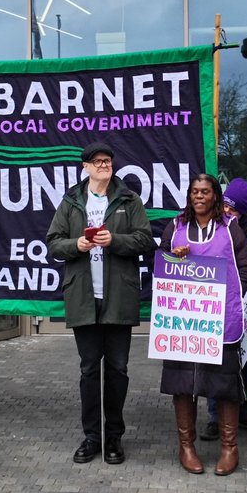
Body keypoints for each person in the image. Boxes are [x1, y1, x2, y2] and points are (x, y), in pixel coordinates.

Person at [46, 141, 155, 466]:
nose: (103, 165)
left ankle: (114, 438)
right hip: (83, 298)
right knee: (89, 370)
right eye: (97, 161)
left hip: (119, 299)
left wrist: (116, 240)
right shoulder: (71, 201)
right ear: (86, 167)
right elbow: (53, 242)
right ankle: (92, 437)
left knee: (118, 370)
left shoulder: (128, 199)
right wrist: (76, 244)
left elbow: (146, 239)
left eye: (107, 160)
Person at [160, 175, 247, 476]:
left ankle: (229, 447)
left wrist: (228, 300)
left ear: (215, 196)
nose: (200, 196)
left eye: (206, 192)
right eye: (195, 192)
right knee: (183, 382)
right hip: (185, 319)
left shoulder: (231, 227)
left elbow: (245, 269)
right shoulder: (175, 227)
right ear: (189, 195)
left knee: (224, 384)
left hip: (221, 317)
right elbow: (161, 264)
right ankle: (186, 446)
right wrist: (173, 257)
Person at [202, 178, 247, 440]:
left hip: (243, 302)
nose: (227, 211)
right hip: (214, 301)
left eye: (233, 208)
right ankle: (215, 417)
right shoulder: (212, 221)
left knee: (244, 363)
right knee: (216, 362)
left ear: (244, 210)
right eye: (225, 205)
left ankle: (246, 412)